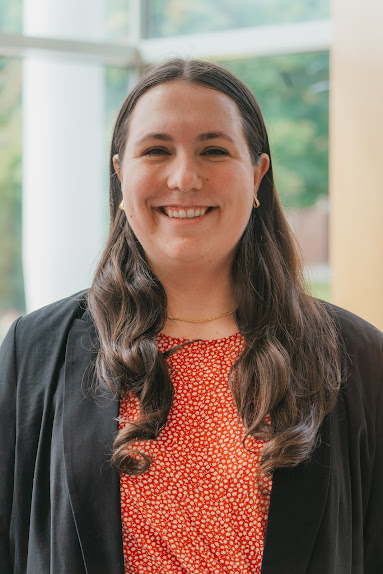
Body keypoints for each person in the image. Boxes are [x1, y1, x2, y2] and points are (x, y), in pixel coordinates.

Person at [0, 58, 382, 574]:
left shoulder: (357, 357)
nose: (184, 177)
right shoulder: (35, 348)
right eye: (157, 150)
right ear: (120, 173)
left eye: (214, 150)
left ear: (258, 176)